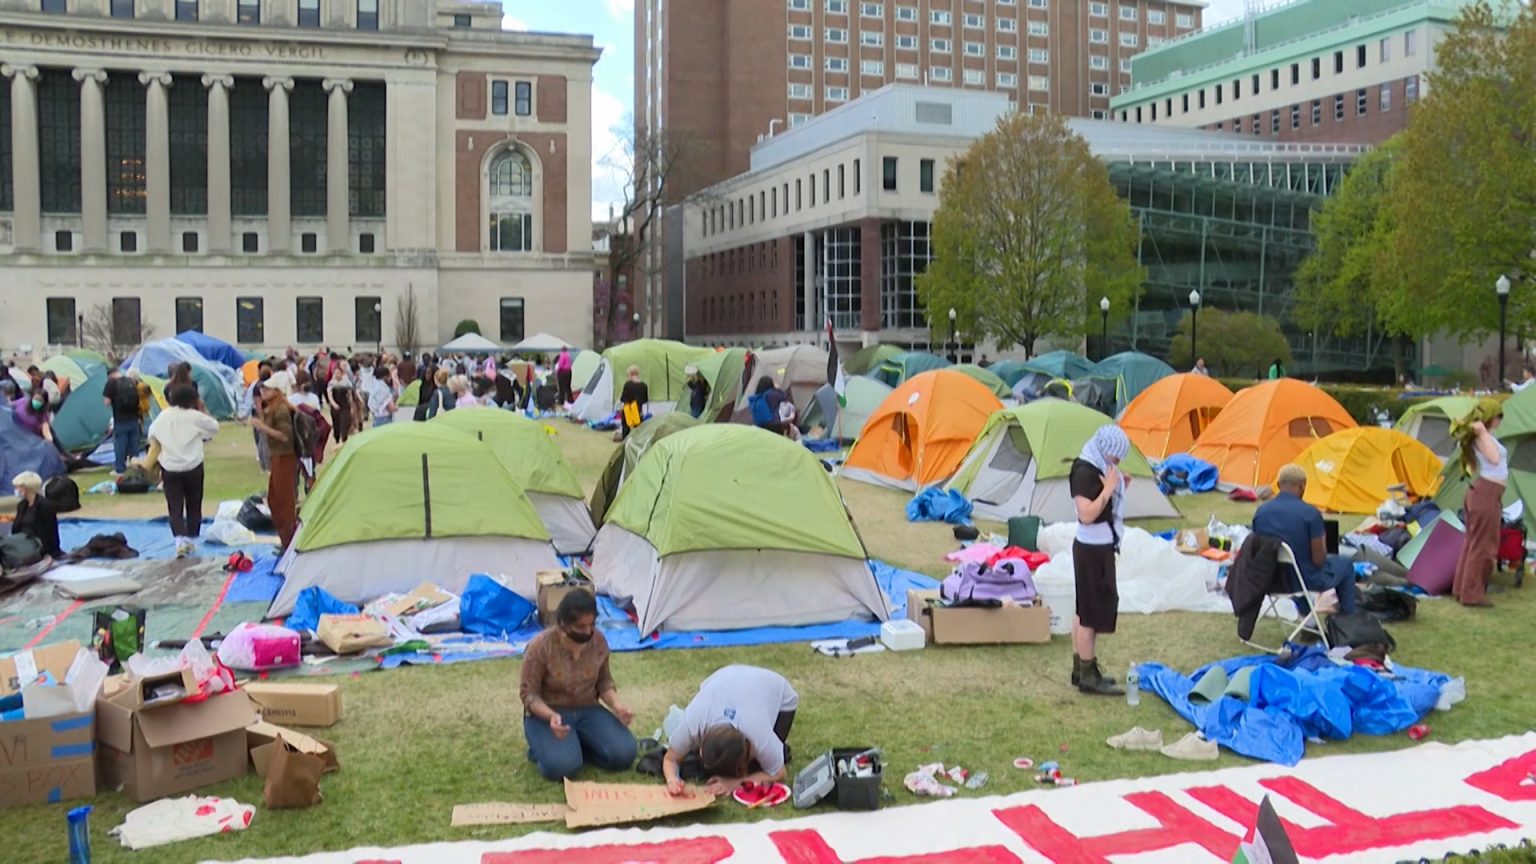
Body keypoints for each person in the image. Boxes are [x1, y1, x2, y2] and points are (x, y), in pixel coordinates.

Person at [519, 591, 637, 781]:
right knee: (563, 768)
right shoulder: (540, 647)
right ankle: (549, 749)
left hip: (587, 708)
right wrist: (550, 716)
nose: (588, 632)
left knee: (625, 754)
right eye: (581, 627)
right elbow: (529, 695)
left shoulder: (598, 640)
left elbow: (604, 681)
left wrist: (617, 705)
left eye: (592, 625)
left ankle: (573, 746)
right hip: (548, 713)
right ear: (564, 624)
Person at [662, 665, 798, 798]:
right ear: (700, 748)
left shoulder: (759, 736)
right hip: (725, 677)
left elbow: (779, 773)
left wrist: (734, 783)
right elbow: (670, 759)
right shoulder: (694, 721)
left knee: (761, 766)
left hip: (779, 693)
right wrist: (672, 780)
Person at [1252, 464, 1358, 616]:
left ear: (1278, 485)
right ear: (1303, 486)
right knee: (1345, 564)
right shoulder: (1310, 514)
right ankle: (1349, 621)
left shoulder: (1261, 512)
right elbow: (1319, 560)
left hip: (1271, 578)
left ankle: (1310, 623)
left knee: (1295, 567)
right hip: (1301, 580)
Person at [1069, 426, 1128, 696]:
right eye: (1115, 458)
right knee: (1090, 614)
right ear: (1105, 450)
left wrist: (1116, 487)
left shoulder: (1096, 466)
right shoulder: (1084, 471)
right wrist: (1109, 490)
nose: (1115, 464)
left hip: (1098, 547)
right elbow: (1087, 514)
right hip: (1091, 549)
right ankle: (1088, 676)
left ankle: (1080, 668)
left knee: (1084, 610)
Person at [147, 384, 221, 558]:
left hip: (170, 467)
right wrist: (202, 410)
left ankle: (180, 540)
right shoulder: (195, 417)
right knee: (194, 503)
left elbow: (152, 435)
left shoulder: (163, 416)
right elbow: (215, 427)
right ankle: (192, 539)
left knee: (175, 505)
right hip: (193, 466)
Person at [1451, 399, 1506, 608]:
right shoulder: (1481, 436)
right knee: (1483, 545)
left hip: (1482, 492)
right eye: (1499, 417)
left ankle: (1461, 588)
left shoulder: (1482, 436)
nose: (1500, 421)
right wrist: (1483, 433)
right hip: (1486, 493)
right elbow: (1493, 458)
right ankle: (1472, 594)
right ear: (1492, 418)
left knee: (1472, 542)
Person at [249, 387, 299, 550]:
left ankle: (289, 541)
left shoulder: (282, 411)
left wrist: (262, 427)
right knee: (275, 499)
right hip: (278, 457)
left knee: (284, 502)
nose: (262, 391)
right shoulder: (273, 409)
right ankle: (285, 539)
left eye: (267, 388)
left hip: (285, 457)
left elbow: (285, 436)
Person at [10, 472, 64, 559]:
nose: (16, 490)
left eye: (18, 487)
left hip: (35, 543)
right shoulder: (22, 505)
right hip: (21, 539)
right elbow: (16, 528)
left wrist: (53, 551)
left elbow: (51, 531)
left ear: (26, 488)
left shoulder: (45, 506)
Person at [102, 369, 143, 473]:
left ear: (110, 375)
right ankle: (137, 467)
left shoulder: (111, 383)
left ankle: (120, 469)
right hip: (134, 418)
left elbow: (106, 402)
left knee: (120, 444)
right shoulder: (131, 381)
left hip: (120, 419)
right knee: (134, 444)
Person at [619, 365, 648, 439]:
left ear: (630, 374)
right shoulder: (644, 386)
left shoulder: (627, 384)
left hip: (628, 410)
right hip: (638, 410)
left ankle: (625, 442)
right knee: (639, 429)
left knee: (625, 427)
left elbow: (623, 399)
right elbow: (645, 400)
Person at [327, 366, 355, 444]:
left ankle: (344, 439)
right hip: (335, 404)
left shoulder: (347, 382)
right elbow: (330, 395)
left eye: (338, 373)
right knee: (336, 423)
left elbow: (349, 394)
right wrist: (333, 403)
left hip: (345, 404)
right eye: (335, 373)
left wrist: (351, 404)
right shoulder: (331, 383)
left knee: (345, 422)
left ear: (342, 373)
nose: (337, 374)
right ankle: (337, 438)